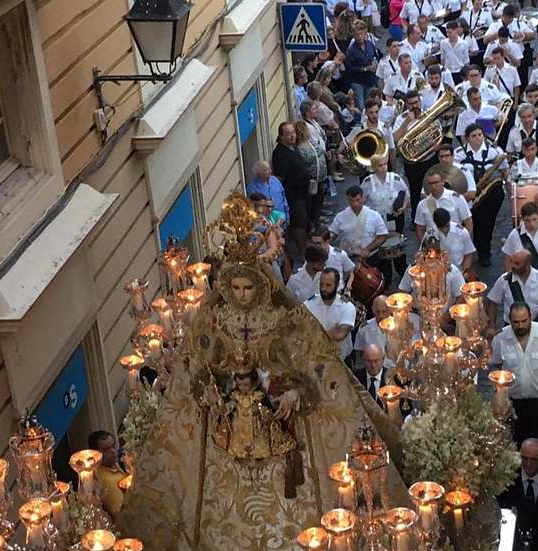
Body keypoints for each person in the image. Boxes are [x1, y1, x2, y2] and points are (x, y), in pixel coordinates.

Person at [122, 194, 408, 549]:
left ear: (261, 284)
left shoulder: (284, 318)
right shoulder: (213, 321)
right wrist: (206, 392)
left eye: (248, 288)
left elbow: (314, 365)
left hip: (282, 431)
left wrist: (294, 392)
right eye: (236, 288)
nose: (242, 296)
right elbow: (194, 370)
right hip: (226, 436)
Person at [490, 302, 538, 464]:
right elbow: (498, 364)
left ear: (530, 317)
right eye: (516, 322)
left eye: (524, 321)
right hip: (514, 405)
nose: (520, 326)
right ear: (509, 320)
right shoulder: (500, 339)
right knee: (515, 447)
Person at [454, 122, 506, 266]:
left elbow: (504, 170)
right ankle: (467, 252)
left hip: (490, 194)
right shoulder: (459, 153)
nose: (478, 138)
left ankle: (485, 253)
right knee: (472, 223)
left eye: (480, 135)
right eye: (474, 136)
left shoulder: (494, 151)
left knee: (487, 224)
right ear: (467, 138)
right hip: (470, 193)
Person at [361, 153, 410, 287]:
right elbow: (362, 200)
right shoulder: (367, 183)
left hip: (394, 217)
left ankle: (402, 271)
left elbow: (406, 195)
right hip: (377, 219)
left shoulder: (396, 179)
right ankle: (385, 275)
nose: (383, 168)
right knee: (381, 246)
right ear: (374, 168)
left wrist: (403, 207)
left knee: (397, 246)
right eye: (380, 165)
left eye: (385, 164)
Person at [391, 90, 438, 221]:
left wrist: (435, 146)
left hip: (429, 158)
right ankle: (415, 219)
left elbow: (438, 134)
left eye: (416, 102)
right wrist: (407, 122)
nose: (414, 106)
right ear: (407, 105)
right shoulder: (402, 118)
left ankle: (434, 216)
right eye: (411, 104)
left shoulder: (428, 115)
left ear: (420, 101)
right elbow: (394, 138)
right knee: (415, 190)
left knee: (432, 188)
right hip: (412, 162)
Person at [486, 250, 538, 328]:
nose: (512, 266)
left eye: (517, 263)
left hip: (535, 326)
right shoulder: (505, 280)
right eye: (512, 261)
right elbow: (492, 303)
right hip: (511, 326)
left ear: (527, 265)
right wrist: (492, 326)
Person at [271, 122, 313, 257]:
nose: (292, 136)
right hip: (293, 196)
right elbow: (279, 178)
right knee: (299, 222)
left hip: (302, 194)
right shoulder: (280, 154)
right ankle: (302, 250)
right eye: (288, 134)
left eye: (293, 133)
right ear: (281, 136)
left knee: (304, 219)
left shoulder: (293, 147)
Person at [305, 268, 358, 361]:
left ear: (337, 285)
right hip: (316, 359)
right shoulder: (309, 304)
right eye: (321, 284)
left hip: (341, 360)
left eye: (328, 285)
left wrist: (313, 332)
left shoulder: (347, 307)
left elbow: (339, 334)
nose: (324, 288)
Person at [414, 165, 473, 241]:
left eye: (436, 182)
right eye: (430, 183)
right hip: (434, 244)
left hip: (455, 241)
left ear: (443, 182)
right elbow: (420, 229)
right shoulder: (422, 204)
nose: (433, 186)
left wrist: (465, 242)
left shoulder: (457, 199)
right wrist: (426, 246)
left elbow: (468, 222)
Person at [88, 430, 126, 515]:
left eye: (113, 446)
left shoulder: (111, 464)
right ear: (96, 454)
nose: (113, 451)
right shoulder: (107, 481)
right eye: (106, 449)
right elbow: (120, 514)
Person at [430, 207, 476, 273]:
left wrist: (464, 272)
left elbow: (468, 254)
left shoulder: (462, 233)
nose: (444, 230)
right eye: (441, 228)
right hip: (438, 272)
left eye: (446, 226)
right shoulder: (430, 235)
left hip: (458, 270)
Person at [346, 21, 379, 112]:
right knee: (361, 105)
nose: (360, 36)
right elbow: (349, 68)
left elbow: (375, 56)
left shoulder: (369, 44)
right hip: (357, 81)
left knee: (369, 103)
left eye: (361, 34)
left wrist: (375, 64)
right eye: (357, 35)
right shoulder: (351, 50)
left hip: (369, 79)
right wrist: (364, 69)